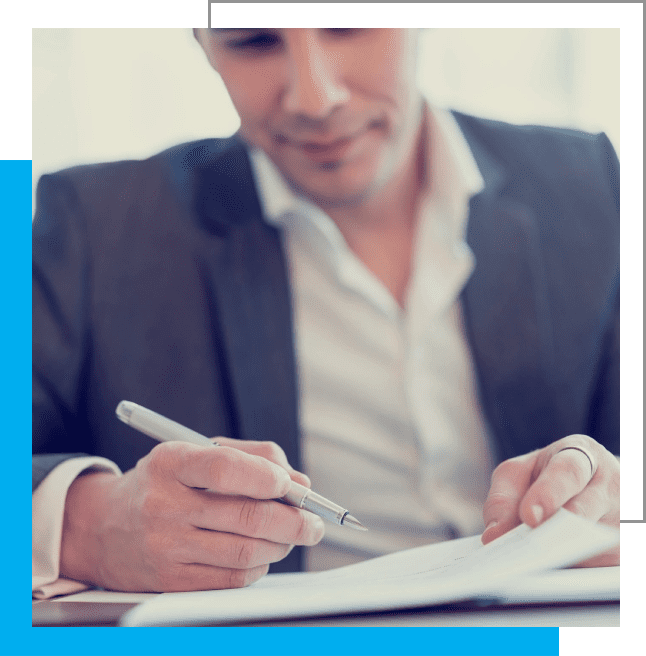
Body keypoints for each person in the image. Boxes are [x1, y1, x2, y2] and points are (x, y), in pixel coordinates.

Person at [32, 28, 620, 597]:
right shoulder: (97, 227)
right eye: (253, 41)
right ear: (203, 43)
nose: (316, 99)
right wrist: (88, 527)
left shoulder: (591, 181)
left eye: (348, 23)